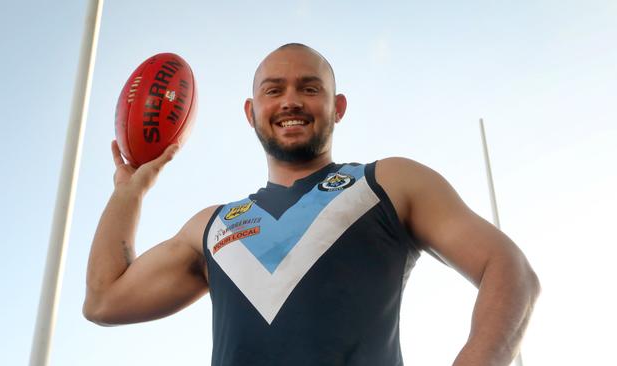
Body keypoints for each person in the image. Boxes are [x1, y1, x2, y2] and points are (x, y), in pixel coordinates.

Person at [84, 43, 540, 366]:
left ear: (337, 106)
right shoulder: (213, 227)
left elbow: (510, 270)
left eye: (309, 88)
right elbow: (104, 301)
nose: (290, 101)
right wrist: (129, 192)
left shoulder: (389, 181)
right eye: (273, 89)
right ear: (251, 111)